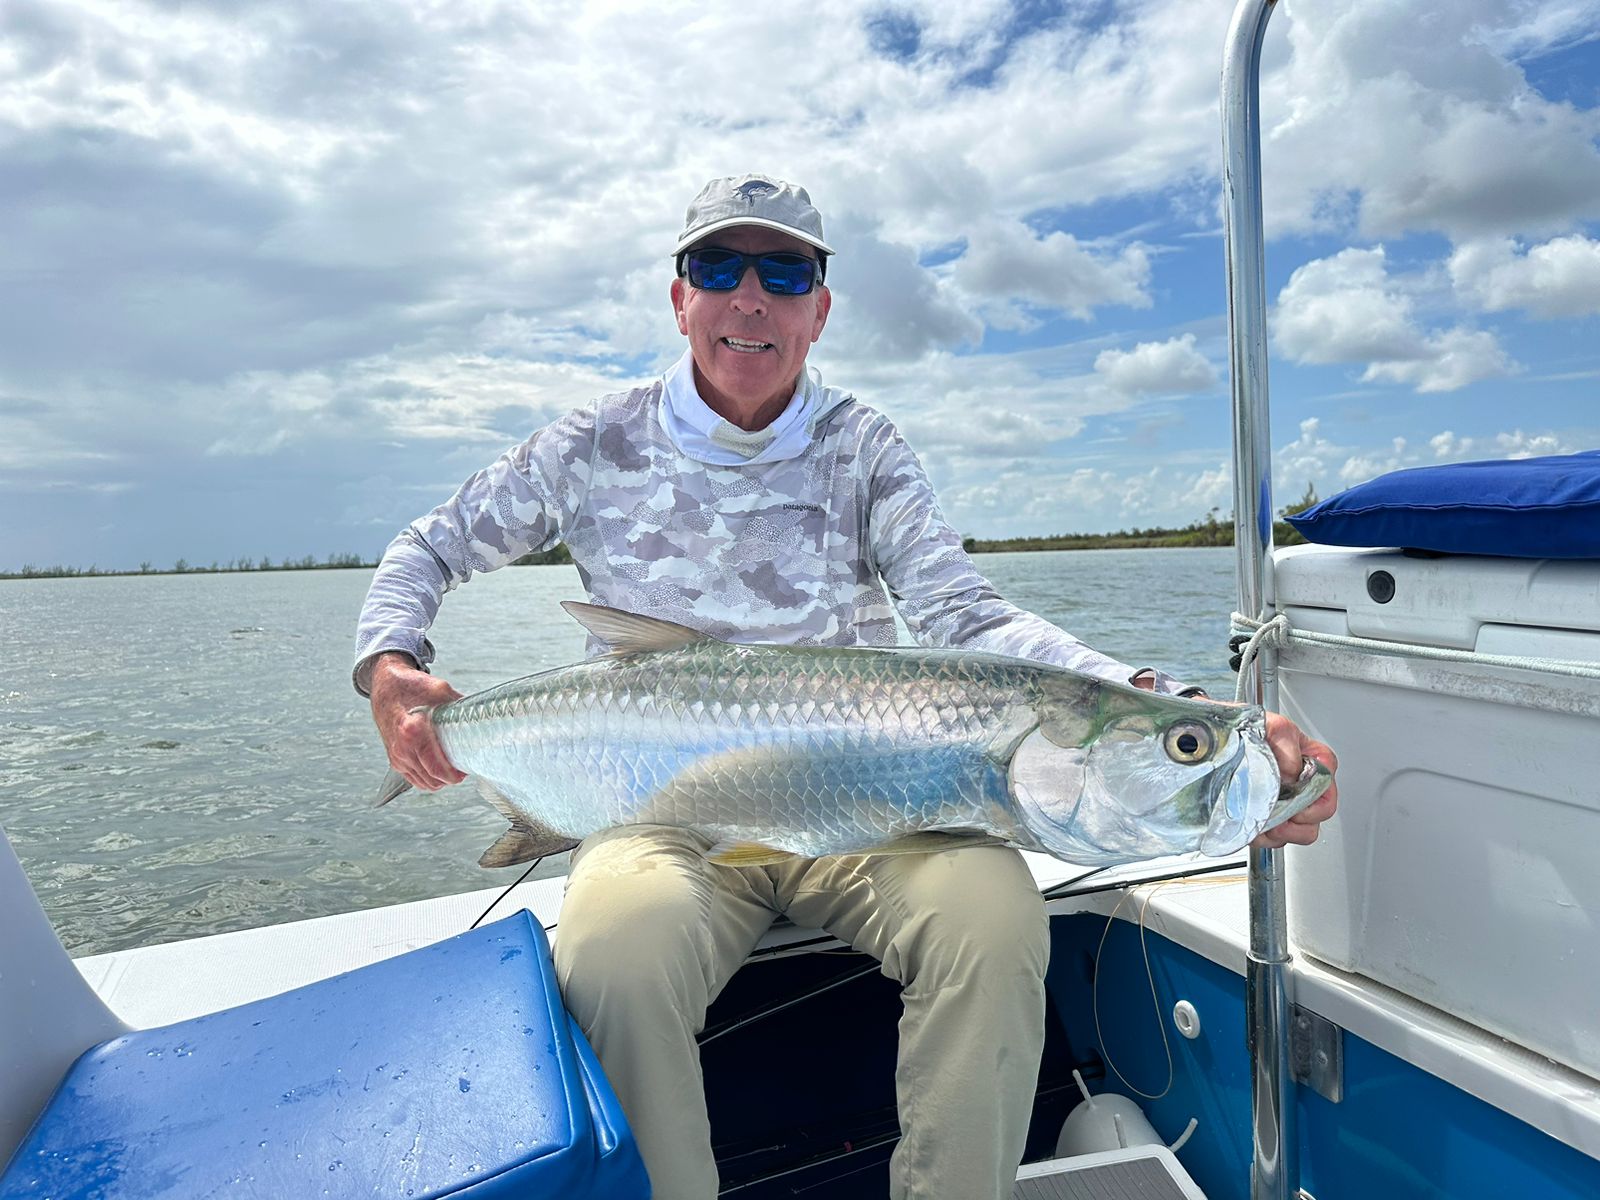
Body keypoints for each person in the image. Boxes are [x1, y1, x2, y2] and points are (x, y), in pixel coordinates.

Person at [353, 174, 1339, 1200]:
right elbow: (429, 544)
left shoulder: (862, 444)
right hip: (658, 807)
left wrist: (1177, 712)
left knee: (995, 918)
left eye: (784, 271)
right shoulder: (592, 440)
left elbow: (970, 618)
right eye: (717, 267)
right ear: (678, 297)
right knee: (612, 949)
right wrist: (390, 669)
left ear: (818, 308)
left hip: (879, 806)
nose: (750, 297)